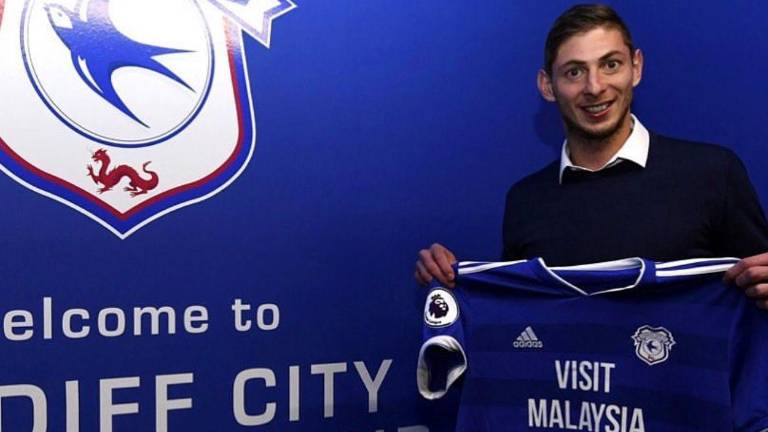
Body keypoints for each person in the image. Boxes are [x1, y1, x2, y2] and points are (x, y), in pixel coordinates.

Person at [414, 4, 768, 308]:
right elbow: (519, 323)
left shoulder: (712, 174)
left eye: (610, 64)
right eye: (574, 72)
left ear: (637, 67)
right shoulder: (526, 200)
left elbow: (757, 297)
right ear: (547, 86)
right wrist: (451, 282)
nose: (595, 87)